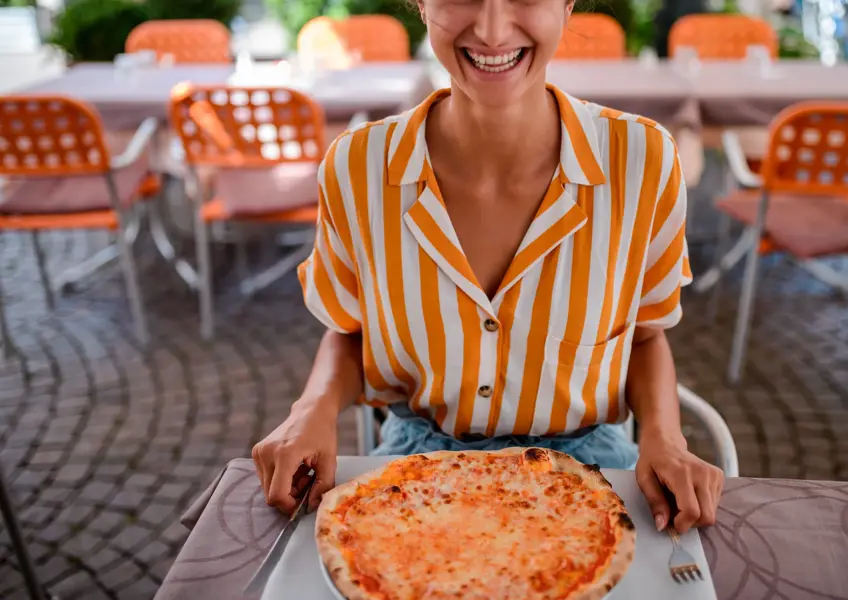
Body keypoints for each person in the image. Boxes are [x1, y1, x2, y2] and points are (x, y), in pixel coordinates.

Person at [253, 0, 724, 534]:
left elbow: (644, 336)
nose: (494, 30)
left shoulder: (643, 161)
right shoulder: (357, 168)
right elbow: (347, 331)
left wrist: (665, 436)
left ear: (568, 5)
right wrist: (310, 410)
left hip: (597, 466)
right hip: (415, 467)